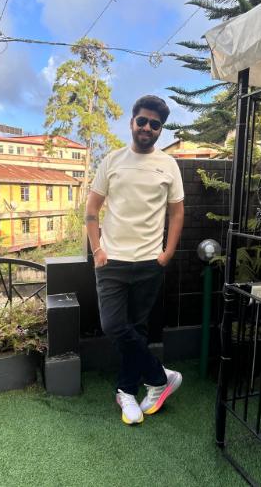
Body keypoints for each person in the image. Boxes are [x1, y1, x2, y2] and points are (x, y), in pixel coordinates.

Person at [85, 95, 185, 425]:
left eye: (155, 124)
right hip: (111, 261)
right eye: (142, 121)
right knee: (113, 325)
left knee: (138, 331)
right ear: (132, 122)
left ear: (160, 130)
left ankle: (126, 392)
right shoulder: (112, 161)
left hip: (148, 263)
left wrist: (168, 253)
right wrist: (97, 250)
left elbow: (177, 212)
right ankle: (160, 377)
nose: (147, 127)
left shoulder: (168, 165)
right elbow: (91, 209)